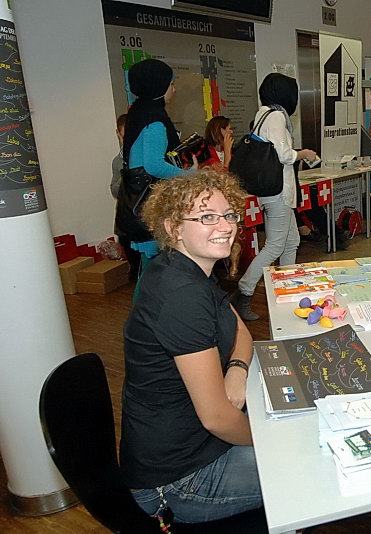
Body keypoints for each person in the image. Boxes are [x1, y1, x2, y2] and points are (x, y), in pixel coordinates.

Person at [119, 169, 262, 525]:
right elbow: (216, 417)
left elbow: (242, 332)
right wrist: (268, 440)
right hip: (179, 480)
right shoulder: (181, 294)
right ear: (173, 228)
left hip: (196, 448)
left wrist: (236, 370)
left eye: (229, 215)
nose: (225, 226)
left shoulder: (189, 270)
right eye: (207, 217)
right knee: (315, 463)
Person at [234, 73, 317, 321]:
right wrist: (304, 153)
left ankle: (288, 290)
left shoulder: (263, 114)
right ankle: (244, 291)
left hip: (272, 191)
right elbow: (284, 155)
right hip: (278, 192)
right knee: (274, 246)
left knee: (291, 242)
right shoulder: (277, 116)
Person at [115, 59, 193, 282]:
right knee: (154, 274)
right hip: (151, 205)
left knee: (151, 272)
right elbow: (154, 165)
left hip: (139, 200)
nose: (174, 90)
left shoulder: (138, 113)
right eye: (171, 84)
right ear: (158, 86)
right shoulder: (155, 121)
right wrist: (190, 175)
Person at [110, 113, 126, 200]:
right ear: (118, 134)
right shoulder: (117, 161)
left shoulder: (148, 156)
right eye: (124, 138)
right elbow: (114, 191)